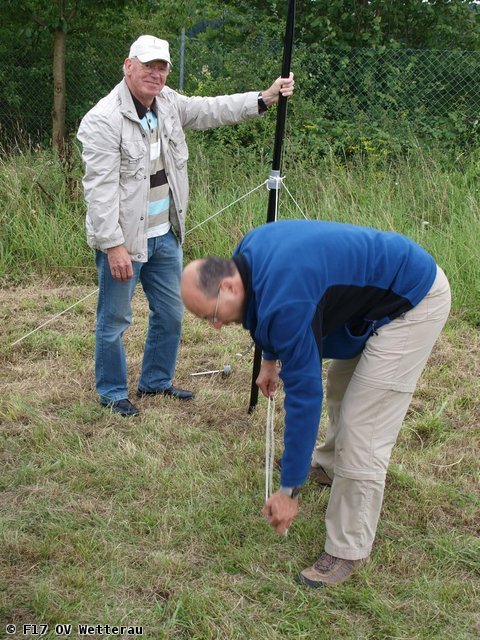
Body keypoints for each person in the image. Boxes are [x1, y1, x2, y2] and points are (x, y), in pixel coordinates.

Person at [180, 219, 451, 588]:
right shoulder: (248, 253)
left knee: (362, 426)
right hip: (376, 297)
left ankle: (347, 548)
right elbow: (264, 307)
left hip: (414, 301)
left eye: (211, 315)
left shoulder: (286, 298)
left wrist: (289, 489)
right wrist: (270, 360)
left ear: (228, 284)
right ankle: (328, 466)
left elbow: (305, 396)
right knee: (344, 387)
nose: (214, 326)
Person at [77, 35, 294, 417]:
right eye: (148, 66)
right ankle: (112, 392)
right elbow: (100, 191)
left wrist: (264, 98)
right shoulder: (103, 120)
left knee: (172, 312)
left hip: (166, 235)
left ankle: (155, 382)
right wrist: (113, 246)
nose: (155, 74)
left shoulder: (168, 103)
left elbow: (211, 109)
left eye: (161, 67)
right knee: (114, 320)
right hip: (126, 242)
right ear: (128, 66)